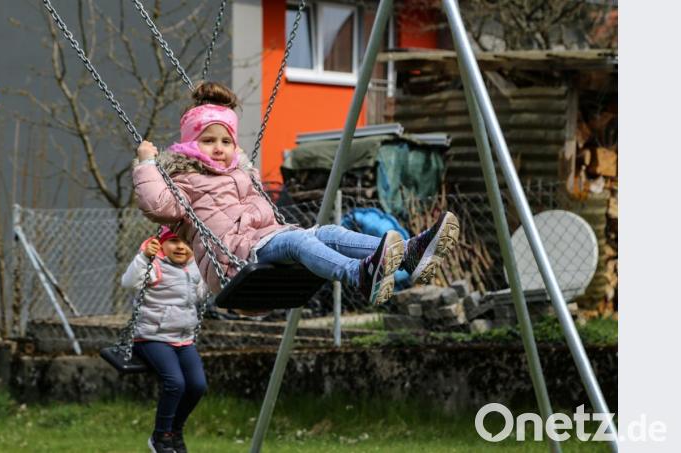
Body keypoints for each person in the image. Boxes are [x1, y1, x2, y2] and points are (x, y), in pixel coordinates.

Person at [132, 81, 460, 306]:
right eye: (208, 141)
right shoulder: (183, 179)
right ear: (190, 144)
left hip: (261, 242)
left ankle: (411, 253)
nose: (219, 148)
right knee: (297, 241)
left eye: (226, 141)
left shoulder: (239, 174)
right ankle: (359, 274)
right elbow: (158, 206)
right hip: (232, 262)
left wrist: (244, 171)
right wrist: (146, 164)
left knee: (327, 233)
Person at [121, 226, 208, 453]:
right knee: (175, 383)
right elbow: (129, 283)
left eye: (186, 242)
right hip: (152, 338)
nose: (181, 247)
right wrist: (144, 257)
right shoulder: (154, 264)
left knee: (197, 386)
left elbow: (201, 294)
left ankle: (174, 431)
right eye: (174, 241)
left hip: (183, 340)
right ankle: (160, 437)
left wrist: (217, 274)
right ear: (161, 244)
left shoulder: (194, 267)